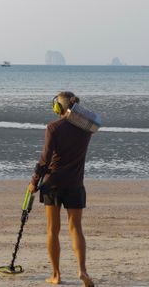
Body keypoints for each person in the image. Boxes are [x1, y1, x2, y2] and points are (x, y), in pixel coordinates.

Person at [28, 91, 95, 287]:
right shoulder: (86, 129)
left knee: (52, 230)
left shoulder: (53, 128)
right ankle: (82, 270)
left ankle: (56, 275)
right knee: (76, 229)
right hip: (75, 184)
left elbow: (45, 159)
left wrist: (34, 181)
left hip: (53, 185)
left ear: (58, 108)